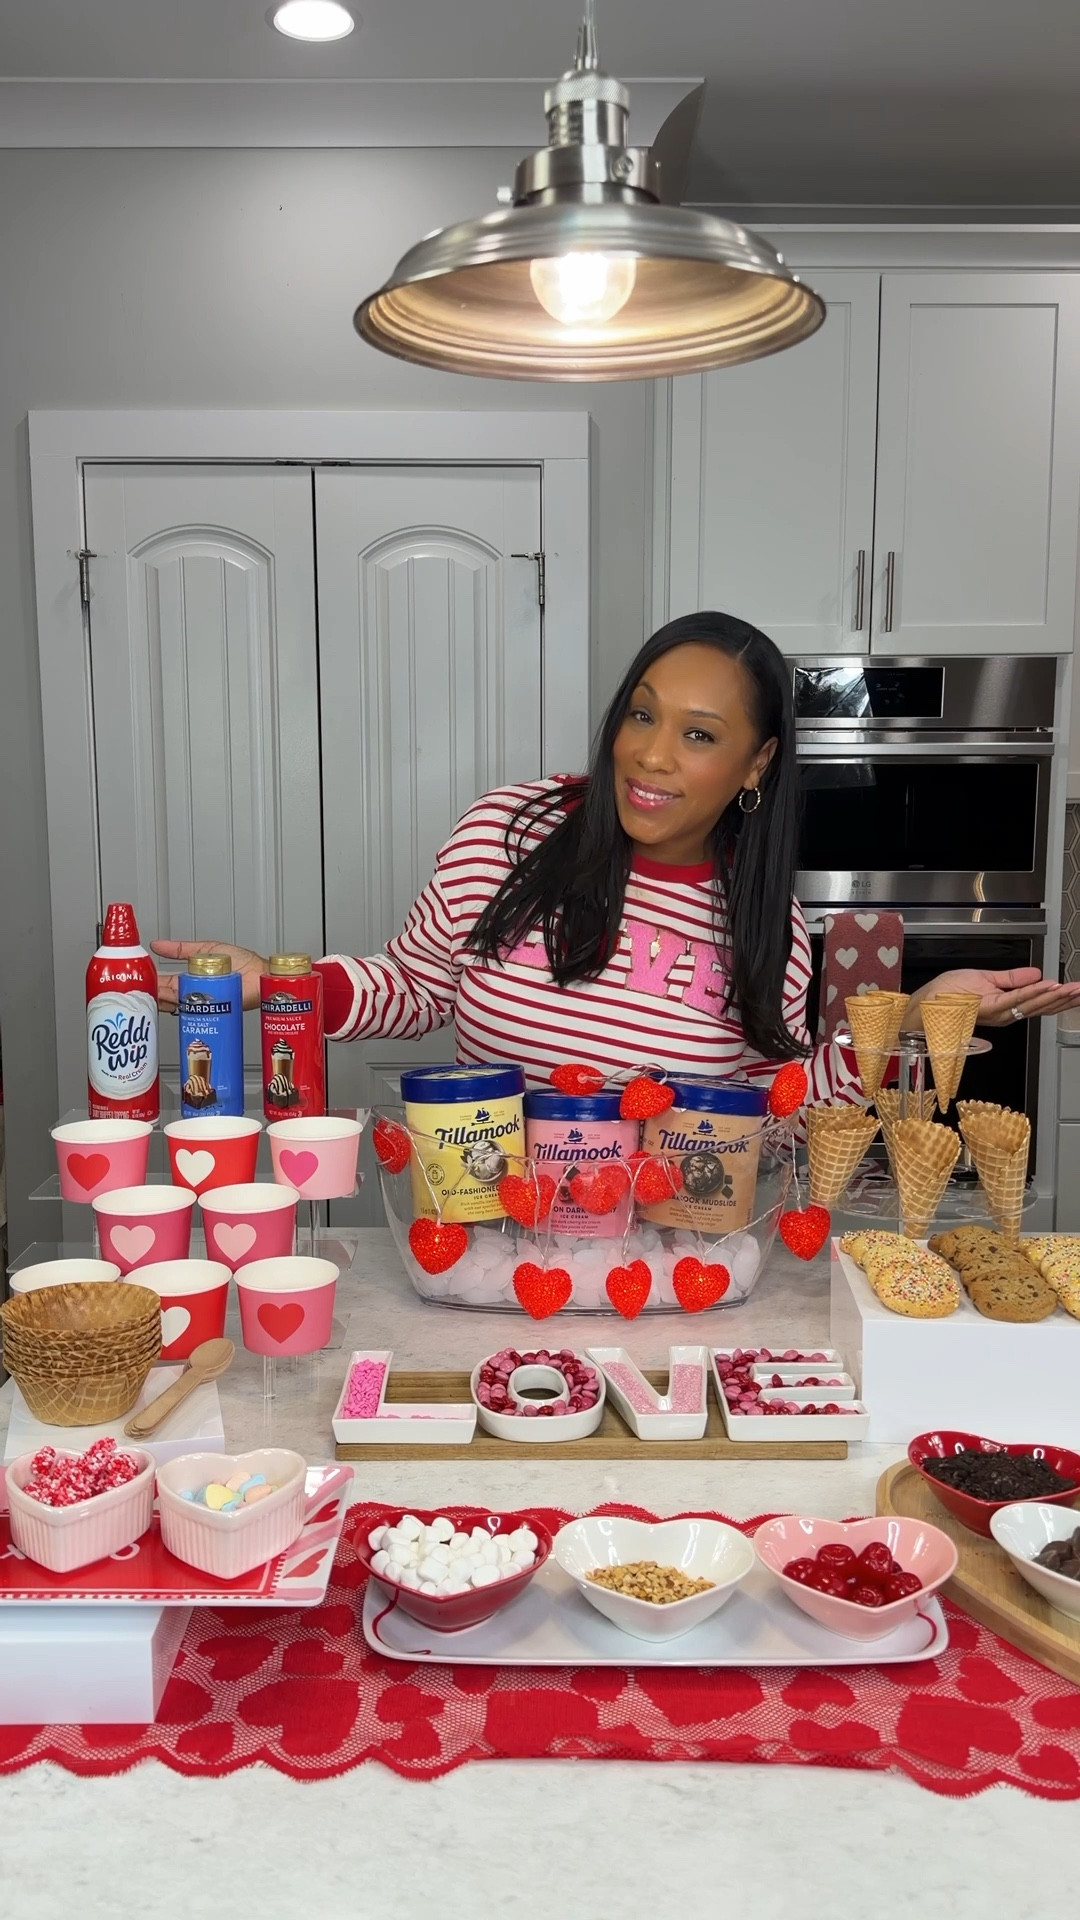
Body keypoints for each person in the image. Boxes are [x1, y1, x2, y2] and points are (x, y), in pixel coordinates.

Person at [153, 612, 1080, 1095]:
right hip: (484, 1240)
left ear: (757, 762)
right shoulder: (508, 832)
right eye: (642, 715)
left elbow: (779, 1111)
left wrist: (913, 1018)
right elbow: (417, 987)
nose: (650, 755)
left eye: (699, 735)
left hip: (671, 1264)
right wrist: (283, 985)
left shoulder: (768, 927)